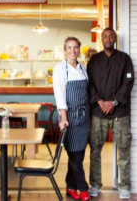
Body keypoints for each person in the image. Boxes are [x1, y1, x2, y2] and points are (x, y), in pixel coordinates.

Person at [87, 28, 134, 199]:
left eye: (111, 36)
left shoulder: (124, 59)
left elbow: (128, 82)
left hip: (120, 111)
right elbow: (90, 84)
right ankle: (95, 184)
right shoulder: (93, 60)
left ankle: (124, 185)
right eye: (105, 36)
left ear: (115, 38)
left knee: (124, 148)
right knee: (95, 150)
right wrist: (100, 102)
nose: (108, 38)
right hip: (98, 112)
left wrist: (113, 102)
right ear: (101, 39)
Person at [53, 37, 90, 201]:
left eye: (75, 47)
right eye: (69, 47)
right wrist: (64, 118)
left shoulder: (83, 68)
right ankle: (83, 188)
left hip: (84, 117)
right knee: (75, 156)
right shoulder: (60, 69)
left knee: (79, 155)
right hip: (70, 118)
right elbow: (59, 95)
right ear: (65, 49)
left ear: (79, 49)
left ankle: (70, 186)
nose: (73, 51)